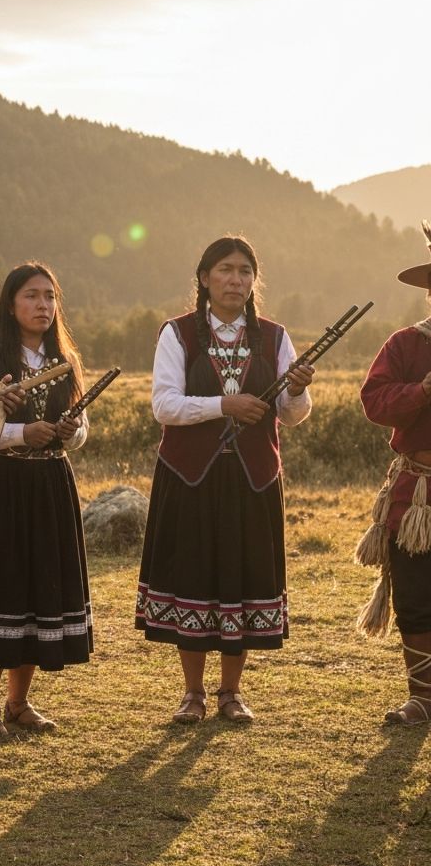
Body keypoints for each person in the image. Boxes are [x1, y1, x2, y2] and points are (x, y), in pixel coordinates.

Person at [135, 236, 314, 723]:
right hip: (191, 478)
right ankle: (192, 693)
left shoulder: (275, 337)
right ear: (204, 278)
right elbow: (164, 405)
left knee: (242, 579)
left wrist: (296, 392)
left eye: (245, 272)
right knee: (194, 576)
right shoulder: (177, 334)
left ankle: (230, 693)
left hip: (253, 480)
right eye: (225, 270)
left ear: (255, 281)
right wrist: (224, 405)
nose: (236, 280)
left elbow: (291, 415)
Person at [0, 263, 92, 736]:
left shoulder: (64, 359)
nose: (43, 306)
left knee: (37, 588)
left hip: (50, 485)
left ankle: (18, 702)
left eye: (50, 297)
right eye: (32, 296)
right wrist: (19, 433)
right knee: (1, 589)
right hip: (0, 488)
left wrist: (69, 433)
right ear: (11, 303)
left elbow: (81, 428)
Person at [356, 221, 431, 724]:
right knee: (417, 597)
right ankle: (424, 700)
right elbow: (374, 401)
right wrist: (423, 391)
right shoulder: (405, 344)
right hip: (416, 497)